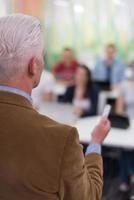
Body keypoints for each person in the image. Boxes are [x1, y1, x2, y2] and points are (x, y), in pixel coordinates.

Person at [0, 14, 111, 200]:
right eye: (42, 56)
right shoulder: (61, 139)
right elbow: (89, 196)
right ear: (33, 66)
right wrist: (95, 143)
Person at [113, 61, 134, 200]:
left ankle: (126, 180)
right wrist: (123, 117)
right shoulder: (125, 85)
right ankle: (128, 179)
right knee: (125, 148)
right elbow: (119, 108)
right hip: (128, 124)